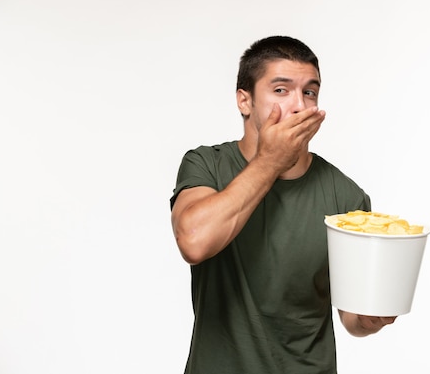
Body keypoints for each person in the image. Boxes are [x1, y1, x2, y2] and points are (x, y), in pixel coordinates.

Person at [170, 36, 396, 374]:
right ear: (244, 101)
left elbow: (353, 319)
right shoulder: (207, 165)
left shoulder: (346, 196)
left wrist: (372, 316)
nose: (299, 106)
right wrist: (271, 161)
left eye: (309, 92)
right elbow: (194, 240)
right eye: (280, 90)